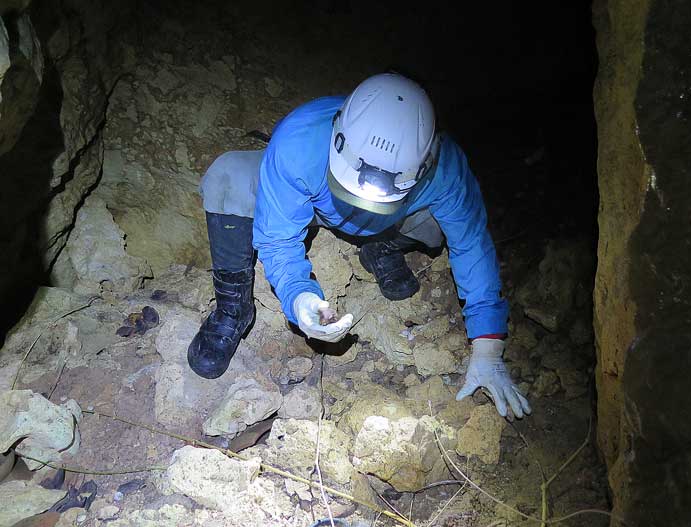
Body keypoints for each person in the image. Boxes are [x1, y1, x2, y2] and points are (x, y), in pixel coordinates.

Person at [188, 73, 531, 419]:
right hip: (316, 207)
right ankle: (234, 309)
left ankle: (381, 246)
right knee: (228, 175)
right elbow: (278, 237)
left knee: (439, 224)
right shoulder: (301, 140)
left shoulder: (445, 168)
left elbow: (471, 243)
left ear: (424, 164)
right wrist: (299, 296)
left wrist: (488, 348)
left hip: (392, 220)